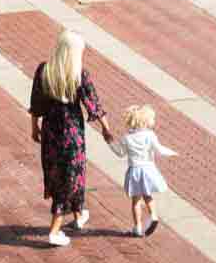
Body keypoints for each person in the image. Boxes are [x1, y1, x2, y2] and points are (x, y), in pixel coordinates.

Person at [29, 29, 115, 247]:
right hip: (73, 135)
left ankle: (78, 215)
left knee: (61, 174)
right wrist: (106, 129)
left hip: (51, 133)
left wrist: (34, 128)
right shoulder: (79, 74)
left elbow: (36, 104)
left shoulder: (44, 71)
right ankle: (55, 230)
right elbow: (93, 104)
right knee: (70, 178)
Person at [117, 103, 178, 238]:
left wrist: (110, 142)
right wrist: (172, 152)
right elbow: (159, 149)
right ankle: (153, 215)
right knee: (148, 195)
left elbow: (120, 153)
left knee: (136, 201)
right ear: (145, 121)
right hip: (148, 169)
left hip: (134, 171)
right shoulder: (150, 135)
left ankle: (137, 227)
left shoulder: (126, 138)